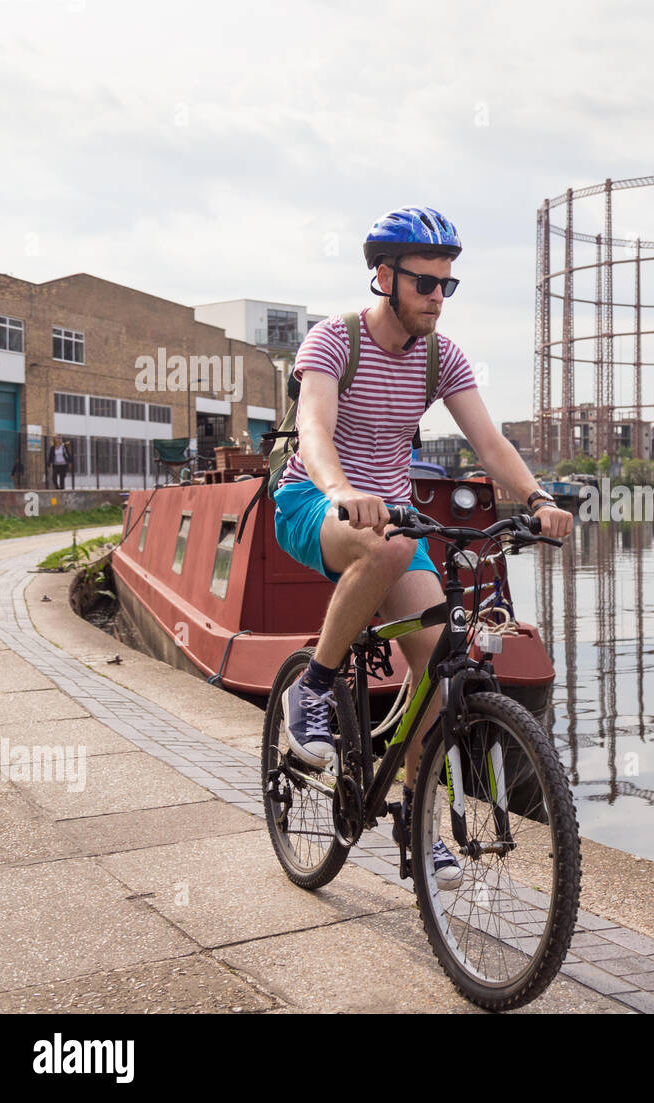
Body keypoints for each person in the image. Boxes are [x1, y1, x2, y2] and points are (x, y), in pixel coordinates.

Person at [272, 206, 573, 887]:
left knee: (439, 663)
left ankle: (416, 820)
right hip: (314, 501)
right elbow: (313, 430)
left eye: (447, 285)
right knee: (379, 543)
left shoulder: (442, 357)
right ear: (385, 277)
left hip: (392, 523)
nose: (438, 298)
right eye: (424, 284)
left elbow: (489, 443)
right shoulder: (333, 342)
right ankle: (312, 689)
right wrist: (342, 489)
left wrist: (539, 500)